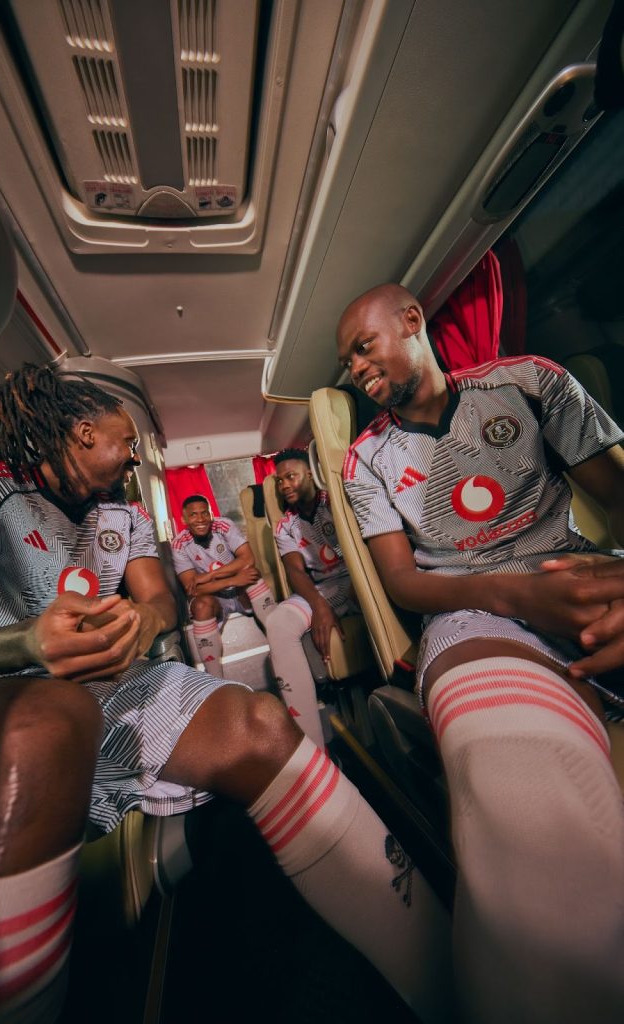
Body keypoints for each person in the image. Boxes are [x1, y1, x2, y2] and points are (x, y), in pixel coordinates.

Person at [0, 364, 455, 1024]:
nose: (134, 459)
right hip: (2, 691)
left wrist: (141, 622)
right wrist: (25, 644)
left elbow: (160, 599)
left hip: (111, 683)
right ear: (83, 432)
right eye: (127, 444)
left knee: (260, 724)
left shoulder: (125, 515)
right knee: (50, 719)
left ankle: (444, 975)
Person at [337, 283, 624, 1024]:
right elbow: (403, 582)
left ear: (411, 321)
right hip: (466, 609)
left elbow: (618, 496)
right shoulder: (366, 459)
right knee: (518, 777)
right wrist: (513, 596)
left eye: (363, 347)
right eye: (347, 363)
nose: (356, 369)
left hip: (571, 568)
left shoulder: (529, 382)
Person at [265, 449, 359, 748]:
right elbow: (295, 570)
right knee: (278, 622)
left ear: (309, 474)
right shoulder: (285, 525)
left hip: (356, 580)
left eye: (290, 477)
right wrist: (319, 606)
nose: (284, 485)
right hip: (321, 588)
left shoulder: (336, 501)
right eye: (279, 481)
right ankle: (314, 749)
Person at [171, 494, 276, 676]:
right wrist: (231, 580)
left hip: (240, 593)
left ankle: (279, 643)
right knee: (200, 605)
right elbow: (192, 589)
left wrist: (211, 575)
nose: (201, 519)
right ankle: (215, 679)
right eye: (194, 515)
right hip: (216, 599)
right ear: (184, 520)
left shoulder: (224, 525)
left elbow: (247, 559)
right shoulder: (179, 544)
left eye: (205, 513)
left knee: (252, 575)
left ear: (211, 514)